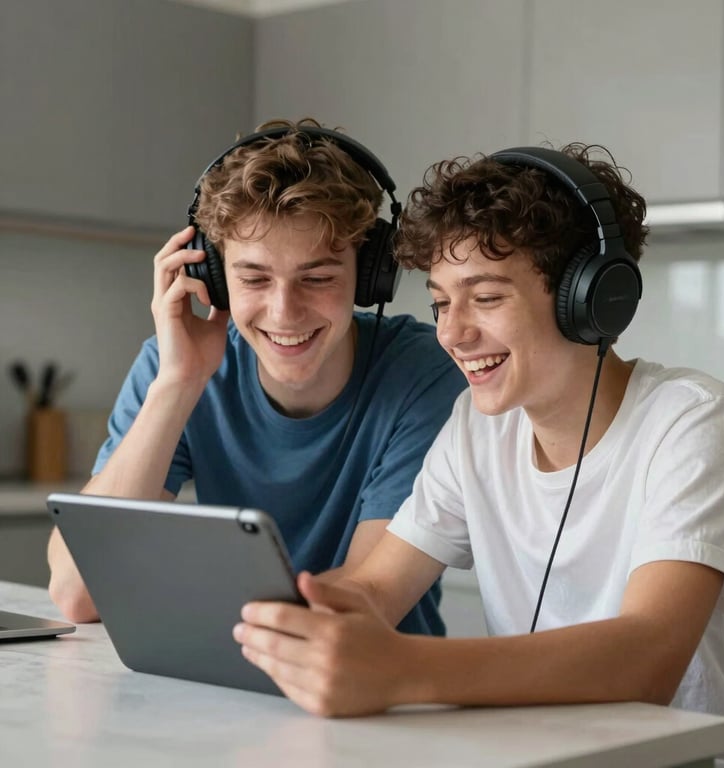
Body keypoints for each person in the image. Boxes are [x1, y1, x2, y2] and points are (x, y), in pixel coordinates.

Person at [233, 143, 724, 766]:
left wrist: (401, 668)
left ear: (588, 299)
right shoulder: (475, 429)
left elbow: (647, 658)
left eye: (484, 298)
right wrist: (276, 625)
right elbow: (372, 590)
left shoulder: (691, 418)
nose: (452, 332)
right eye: (440, 302)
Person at [47, 118, 467, 638]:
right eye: (253, 278)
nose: (284, 312)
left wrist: (165, 599)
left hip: (376, 699)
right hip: (226, 683)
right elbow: (76, 591)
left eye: (317, 278)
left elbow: (364, 598)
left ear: (368, 274)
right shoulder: (171, 365)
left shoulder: (424, 372)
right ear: (213, 277)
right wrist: (178, 382)